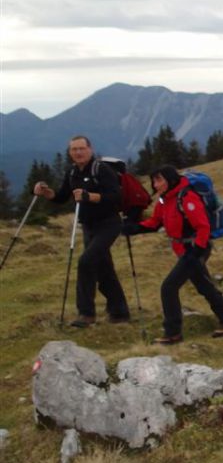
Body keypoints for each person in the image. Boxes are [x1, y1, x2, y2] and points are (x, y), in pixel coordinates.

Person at [123, 166, 223, 344]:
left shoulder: (187, 197)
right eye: (154, 181)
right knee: (204, 285)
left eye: (159, 180)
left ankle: (173, 333)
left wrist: (196, 251)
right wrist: (134, 228)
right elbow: (155, 222)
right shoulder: (164, 200)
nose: (155, 184)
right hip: (185, 250)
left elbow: (203, 227)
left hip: (194, 249)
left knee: (168, 288)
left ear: (170, 179)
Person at [34, 135, 130, 327]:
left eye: (81, 148)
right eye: (74, 150)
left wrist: (89, 196)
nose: (78, 152)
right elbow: (61, 197)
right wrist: (46, 193)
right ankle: (119, 312)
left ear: (90, 149)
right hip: (89, 226)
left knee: (86, 261)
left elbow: (115, 196)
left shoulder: (101, 169)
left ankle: (86, 314)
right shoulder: (71, 172)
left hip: (108, 224)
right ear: (70, 153)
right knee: (104, 270)